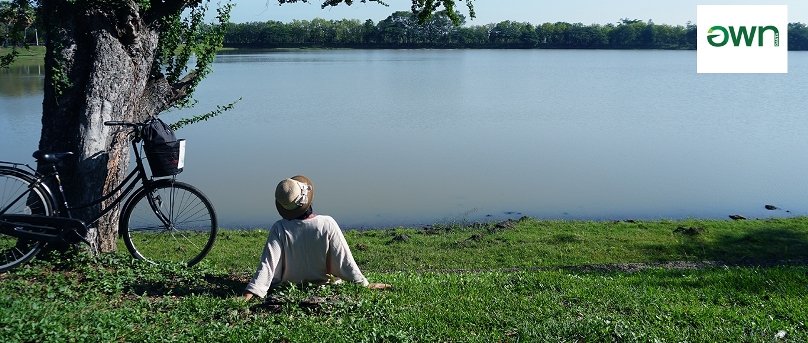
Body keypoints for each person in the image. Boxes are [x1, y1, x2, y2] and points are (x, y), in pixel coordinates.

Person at [243, 175, 391, 300]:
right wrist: (364, 284)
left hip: (288, 285)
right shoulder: (327, 223)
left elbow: (267, 264)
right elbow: (345, 260)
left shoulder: (279, 228)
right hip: (323, 285)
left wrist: (250, 293)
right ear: (307, 200)